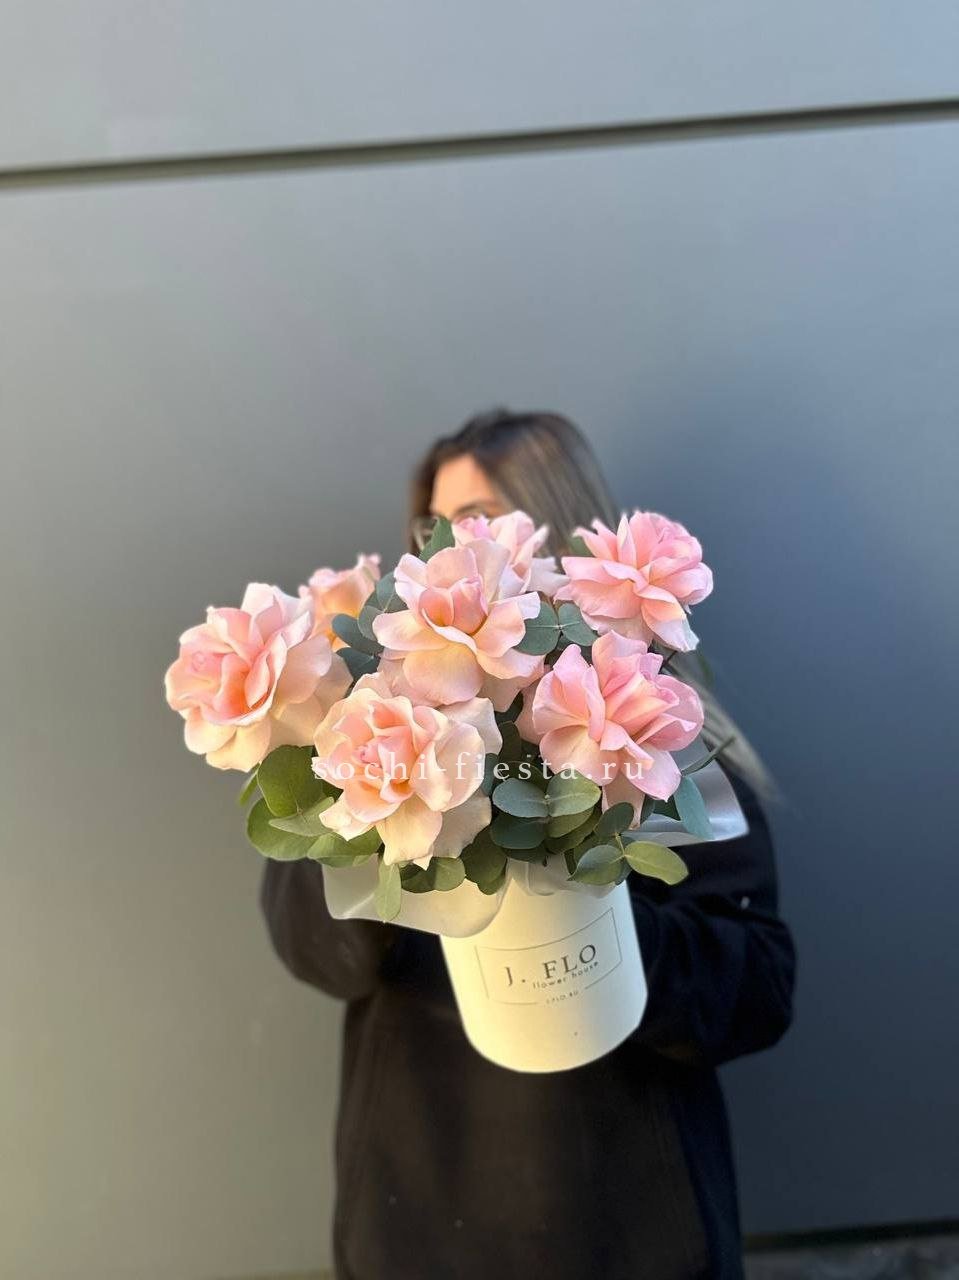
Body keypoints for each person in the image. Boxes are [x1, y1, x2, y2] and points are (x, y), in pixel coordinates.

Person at [260, 409, 797, 1280]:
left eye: (480, 519)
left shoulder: (660, 735)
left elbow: (757, 990)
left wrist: (584, 906)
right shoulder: (361, 734)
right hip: (418, 1228)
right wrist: (380, 798)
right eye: (432, 530)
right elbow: (313, 949)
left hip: (633, 1236)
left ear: (562, 528)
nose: (454, 549)